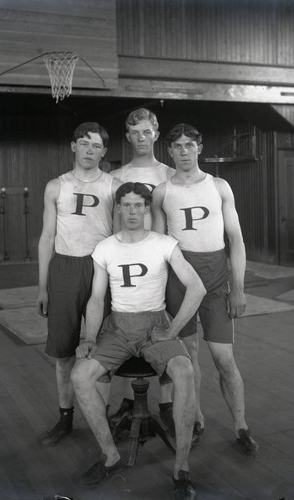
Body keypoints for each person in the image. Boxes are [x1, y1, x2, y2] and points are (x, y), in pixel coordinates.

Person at [71, 182, 206, 499]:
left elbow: (196, 288)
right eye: (126, 205)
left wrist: (172, 332)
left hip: (156, 323)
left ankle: (181, 468)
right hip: (118, 327)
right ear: (118, 208)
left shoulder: (165, 244)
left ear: (147, 208)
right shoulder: (105, 248)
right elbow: (96, 297)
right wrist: (90, 337)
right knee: (80, 374)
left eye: (138, 205)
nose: (132, 211)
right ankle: (110, 454)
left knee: (185, 372)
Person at [152, 123, 259, 457]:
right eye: (177, 147)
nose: (184, 152)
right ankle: (196, 420)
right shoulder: (162, 192)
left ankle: (241, 426)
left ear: (199, 147)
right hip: (179, 279)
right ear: (169, 151)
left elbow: (236, 240)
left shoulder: (219, 186)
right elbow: (157, 247)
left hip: (215, 280)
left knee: (224, 359)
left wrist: (238, 287)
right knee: (189, 355)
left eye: (189, 145)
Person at [36, 122, 120, 446]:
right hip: (64, 268)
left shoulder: (113, 186)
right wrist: (43, 286)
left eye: (96, 146)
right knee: (63, 352)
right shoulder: (55, 186)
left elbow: (118, 238)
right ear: (73, 146)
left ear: (104, 152)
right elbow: (46, 237)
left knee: (102, 348)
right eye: (83, 144)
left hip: (100, 268)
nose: (89, 150)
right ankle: (66, 416)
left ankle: (102, 415)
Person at [108, 108, 183, 439]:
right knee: (127, 326)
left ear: (155, 133)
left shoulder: (169, 173)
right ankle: (128, 400)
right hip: (128, 262)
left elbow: (173, 216)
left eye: (147, 132)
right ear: (128, 136)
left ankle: (166, 404)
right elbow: (114, 222)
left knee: (165, 330)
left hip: (163, 260)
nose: (141, 138)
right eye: (134, 132)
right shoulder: (118, 175)